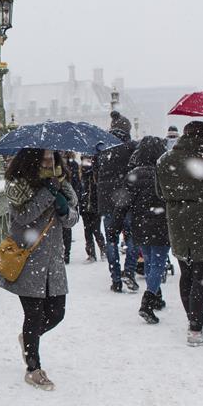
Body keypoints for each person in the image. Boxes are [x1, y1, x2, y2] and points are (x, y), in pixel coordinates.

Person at [1, 148, 80, 390]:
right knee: (33, 315)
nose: (50, 161)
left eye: (53, 157)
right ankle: (33, 369)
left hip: (53, 262)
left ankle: (28, 339)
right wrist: (47, 193)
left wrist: (65, 208)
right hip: (29, 260)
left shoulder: (62, 183)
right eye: (45, 157)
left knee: (57, 313)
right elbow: (23, 217)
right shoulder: (19, 186)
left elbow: (72, 219)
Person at [156, 121, 203, 347]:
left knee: (187, 273)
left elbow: (160, 192)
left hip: (176, 221)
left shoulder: (164, 159)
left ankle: (193, 321)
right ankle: (196, 330)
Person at [126, 136, 170, 323]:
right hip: (161, 223)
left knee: (151, 262)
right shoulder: (165, 173)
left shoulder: (133, 174)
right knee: (158, 264)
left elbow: (124, 202)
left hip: (140, 225)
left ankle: (156, 296)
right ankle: (148, 300)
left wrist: (117, 225)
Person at [95, 111, 139, 292]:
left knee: (111, 239)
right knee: (131, 238)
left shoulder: (102, 149)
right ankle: (129, 271)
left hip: (107, 200)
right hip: (127, 198)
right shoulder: (132, 148)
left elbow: (95, 175)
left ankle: (115, 279)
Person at [78, 154, 106, 263]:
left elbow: (98, 190)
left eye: (88, 160)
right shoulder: (82, 175)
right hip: (85, 208)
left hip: (95, 207)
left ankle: (103, 250)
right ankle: (91, 254)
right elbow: (79, 191)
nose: (86, 163)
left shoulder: (95, 174)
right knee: (87, 232)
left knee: (96, 230)